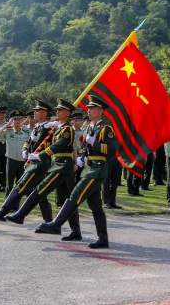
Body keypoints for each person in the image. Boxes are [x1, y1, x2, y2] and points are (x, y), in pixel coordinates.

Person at [35, 95, 115, 249]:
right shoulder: (90, 126)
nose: (89, 110)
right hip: (88, 167)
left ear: (100, 111)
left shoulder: (106, 128)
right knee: (96, 206)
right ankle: (102, 239)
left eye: (92, 108)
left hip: (97, 169)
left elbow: (112, 149)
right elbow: (86, 147)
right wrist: (82, 157)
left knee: (75, 195)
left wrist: (95, 143)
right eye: (89, 108)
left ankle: (56, 224)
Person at [4, 99, 81, 241]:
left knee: (40, 189)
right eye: (56, 110)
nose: (56, 112)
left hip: (63, 166)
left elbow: (58, 147)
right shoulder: (59, 127)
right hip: (58, 164)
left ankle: (20, 215)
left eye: (59, 110)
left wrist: (40, 155)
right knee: (67, 198)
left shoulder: (67, 129)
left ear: (67, 113)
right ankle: (75, 231)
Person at [0, 100, 56, 221]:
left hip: (39, 163)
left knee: (21, 185)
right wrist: (25, 150)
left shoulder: (49, 127)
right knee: (39, 192)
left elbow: (53, 145)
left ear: (45, 113)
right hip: (33, 162)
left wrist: (40, 155)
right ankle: (48, 220)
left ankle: (4, 212)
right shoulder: (38, 127)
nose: (34, 112)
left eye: (37, 110)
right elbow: (29, 141)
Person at [0, 110, 29, 207]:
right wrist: (7, 125)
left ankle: (16, 206)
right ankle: (7, 205)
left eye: (19, 119)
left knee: (19, 185)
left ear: (22, 120)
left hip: (22, 162)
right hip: (11, 160)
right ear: (12, 121)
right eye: (15, 119)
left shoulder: (26, 133)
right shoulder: (8, 131)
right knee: (9, 184)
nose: (17, 121)